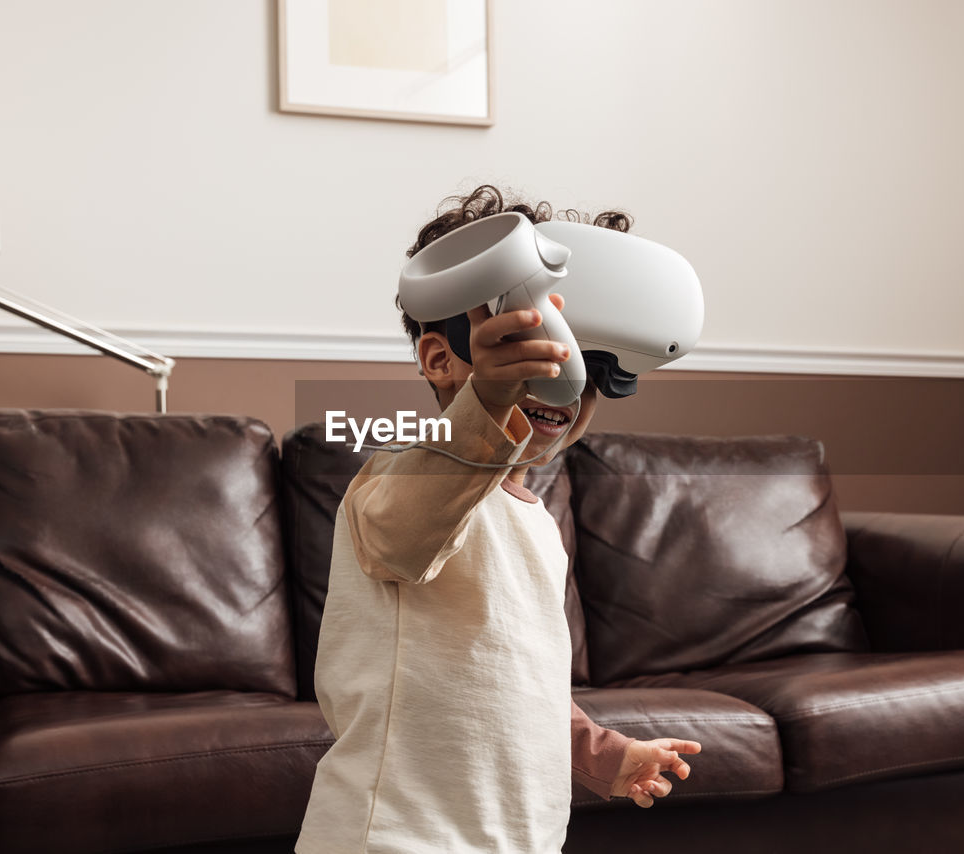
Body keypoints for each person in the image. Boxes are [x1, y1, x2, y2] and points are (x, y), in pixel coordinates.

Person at [296, 186, 702, 853]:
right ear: (440, 359)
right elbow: (405, 536)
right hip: (399, 833)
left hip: (518, 836)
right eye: (525, 353)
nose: (560, 382)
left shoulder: (541, 523)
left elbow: (526, 683)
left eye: (589, 369)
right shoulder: (399, 478)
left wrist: (606, 755)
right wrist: (488, 398)